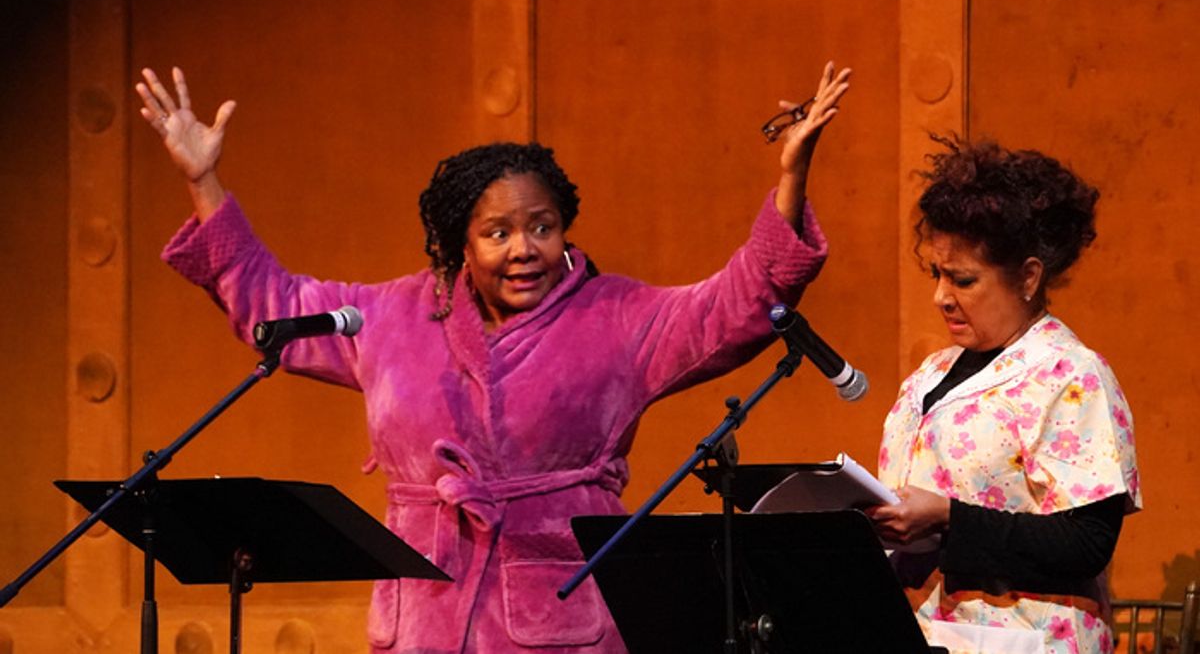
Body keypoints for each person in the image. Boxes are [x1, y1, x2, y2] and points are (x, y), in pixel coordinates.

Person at [135, 62, 851, 653]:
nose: (523, 250)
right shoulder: (389, 316)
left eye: (541, 227)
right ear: (460, 245)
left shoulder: (617, 317)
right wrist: (204, 183)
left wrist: (792, 177)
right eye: (498, 232)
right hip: (423, 620)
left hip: (557, 623)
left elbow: (739, 302)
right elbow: (271, 305)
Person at [865, 137, 1141, 654]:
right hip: (928, 634)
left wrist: (949, 517)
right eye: (937, 275)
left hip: (1025, 640)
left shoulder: (1069, 375)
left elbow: (1087, 543)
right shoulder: (931, 373)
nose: (941, 296)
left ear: (1029, 277)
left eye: (963, 280)